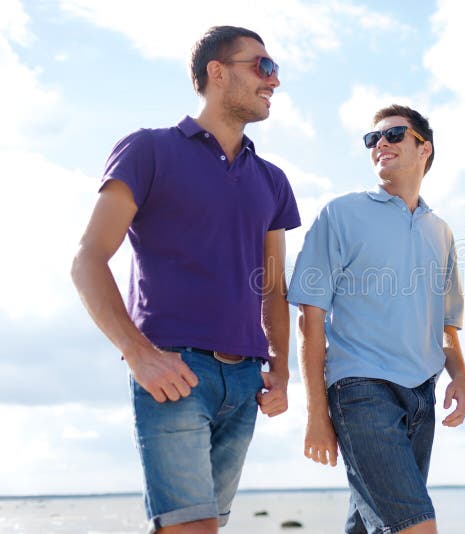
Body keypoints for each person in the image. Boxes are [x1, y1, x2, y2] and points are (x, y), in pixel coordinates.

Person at [71, 26, 301, 533]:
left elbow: (273, 287)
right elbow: (87, 260)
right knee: (194, 528)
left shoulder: (272, 180)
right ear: (217, 73)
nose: (275, 79)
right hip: (173, 370)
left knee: (195, 528)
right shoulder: (147, 150)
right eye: (262, 66)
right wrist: (139, 354)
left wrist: (282, 370)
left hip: (245, 382)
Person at [287, 105, 465, 534]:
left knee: (370, 527)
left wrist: (459, 374)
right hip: (360, 390)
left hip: (423, 394)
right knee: (415, 526)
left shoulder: (440, 231)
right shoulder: (340, 213)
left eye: (392, 135)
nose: (379, 145)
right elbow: (309, 317)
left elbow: (446, 324)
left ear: (424, 148)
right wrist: (315, 413)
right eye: (372, 139)